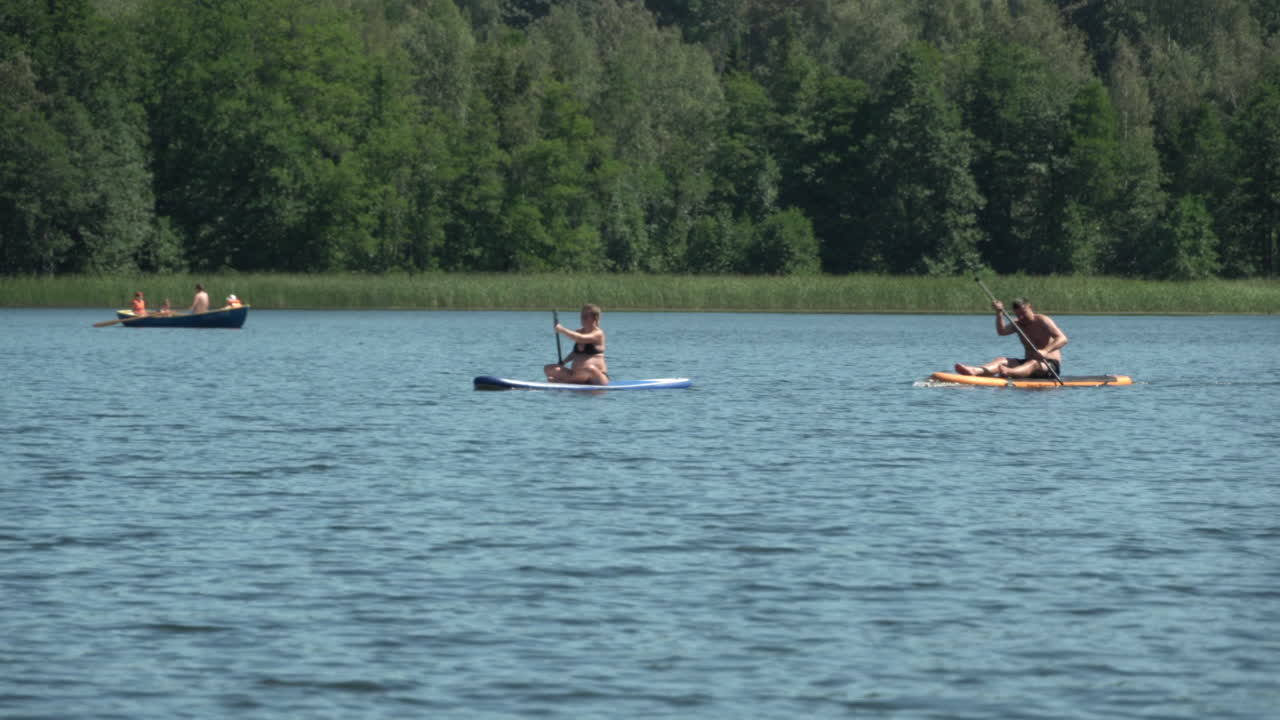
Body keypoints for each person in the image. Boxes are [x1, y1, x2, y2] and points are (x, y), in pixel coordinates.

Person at [954, 297, 1067, 378]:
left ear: (1030, 307)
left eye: (1023, 313)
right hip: (1027, 363)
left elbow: (1062, 339)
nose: (1021, 317)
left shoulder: (1042, 320)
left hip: (1049, 366)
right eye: (1018, 315)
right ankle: (975, 371)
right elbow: (1001, 331)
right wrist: (999, 313)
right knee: (1001, 360)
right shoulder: (1018, 324)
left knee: (1033, 364)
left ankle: (1009, 372)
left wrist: (1045, 351)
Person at [544, 304, 609, 385]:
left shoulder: (598, 333)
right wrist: (563, 362)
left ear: (594, 318)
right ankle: (573, 380)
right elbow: (575, 353)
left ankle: (563, 382)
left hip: (596, 378)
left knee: (589, 369)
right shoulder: (579, 331)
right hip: (577, 374)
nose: (582, 319)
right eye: (582, 316)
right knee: (548, 368)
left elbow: (580, 338)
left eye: (586, 316)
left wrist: (562, 330)